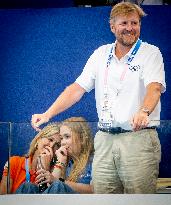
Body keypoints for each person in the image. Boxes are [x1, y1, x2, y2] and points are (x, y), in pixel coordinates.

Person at [31, 2, 166, 193]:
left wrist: (144, 111)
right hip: (104, 139)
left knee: (139, 198)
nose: (130, 28)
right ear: (113, 27)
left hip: (138, 138)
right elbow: (76, 89)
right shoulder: (100, 54)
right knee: (102, 197)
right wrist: (47, 114)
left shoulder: (150, 53)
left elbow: (154, 88)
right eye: (124, 23)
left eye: (134, 23)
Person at [16, 117, 94, 194]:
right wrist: (60, 163)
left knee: (57, 185)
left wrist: (59, 180)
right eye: (61, 138)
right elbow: (50, 189)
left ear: (82, 139)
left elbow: (97, 190)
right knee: (27, 186)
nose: (62, 143)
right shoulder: (65, 160)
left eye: (67, 137)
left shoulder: (94, 161)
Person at [0, 123, 61, 194]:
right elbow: (2, 197)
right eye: (50, 139)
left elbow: (49, 201)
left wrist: (45, 169)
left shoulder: (56, 172)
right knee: (28, 187)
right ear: (38, 139)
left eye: (57, 145)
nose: (51, 145)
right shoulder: (15, 162)